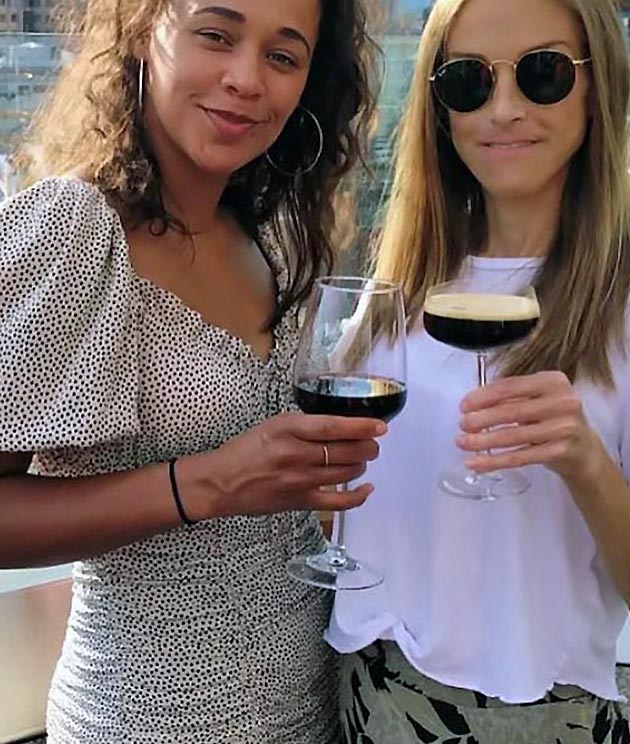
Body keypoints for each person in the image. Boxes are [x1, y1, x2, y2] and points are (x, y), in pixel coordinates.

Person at [328, 0, 630, 741]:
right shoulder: (396, 288)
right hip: (365, 696)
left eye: (542, 74)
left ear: (597, 87)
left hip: (531, 719)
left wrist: (585, 463)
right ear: (438, 109)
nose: (503, 108)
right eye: (468, 81)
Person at [0, 1, 383, 742]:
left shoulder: (274, 236)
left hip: (312, 711)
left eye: (282, 56)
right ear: (146, 31)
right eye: (216, 35)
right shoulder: (76, 230)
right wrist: (204, 484)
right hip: (144, 720)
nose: (246, 79)